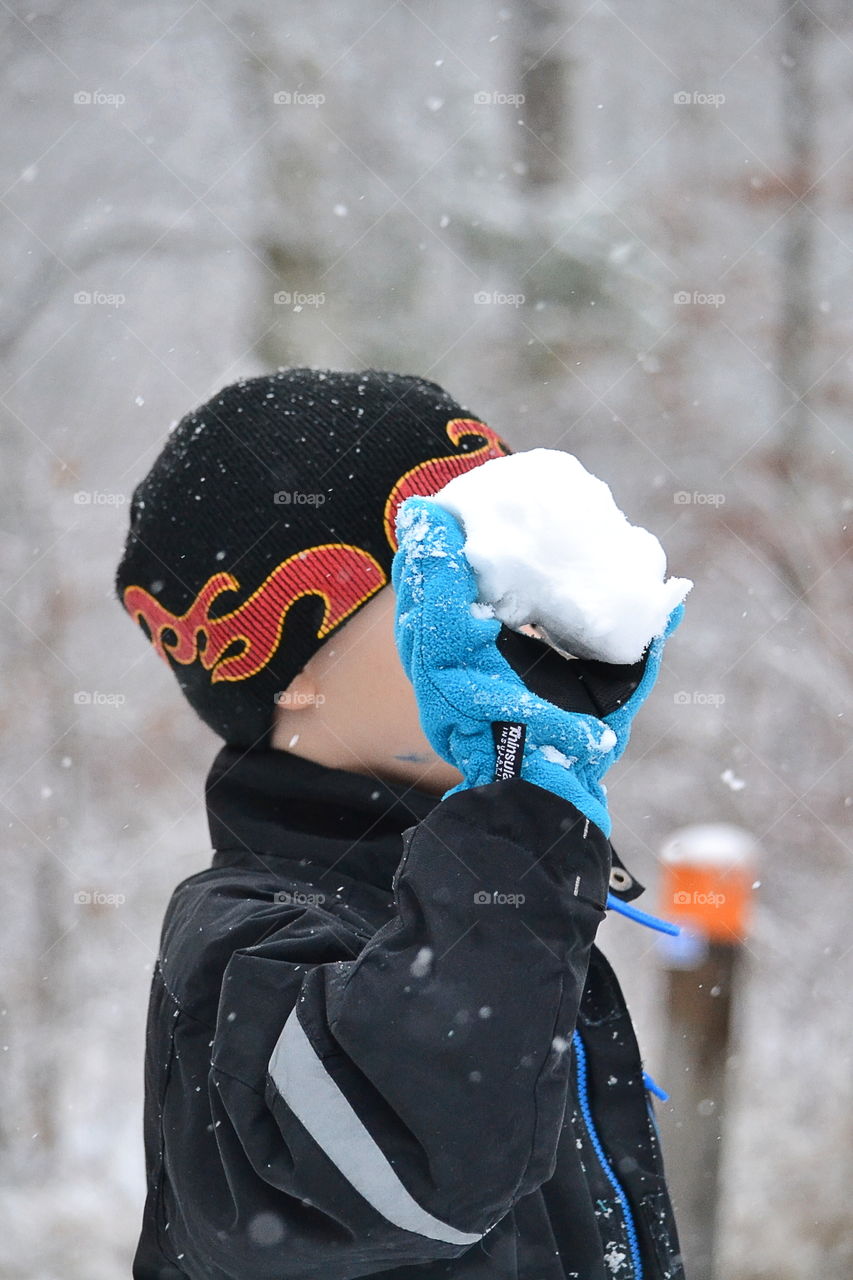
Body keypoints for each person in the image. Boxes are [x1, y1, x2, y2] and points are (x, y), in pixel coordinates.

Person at [116, 367, 686, 1279]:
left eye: (500, 567)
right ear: (288, 668)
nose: (498, 616)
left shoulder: (479, 896)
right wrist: (522, 807)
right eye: (436, 578)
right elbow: (404, 1169)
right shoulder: (243, 935)